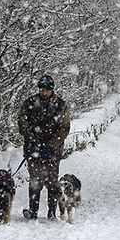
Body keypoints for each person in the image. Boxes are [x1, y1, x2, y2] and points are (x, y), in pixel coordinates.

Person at [18, 74, 71, 219]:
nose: (43, 92)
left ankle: (51, 211)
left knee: (52, 181)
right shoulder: (29, 102)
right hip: (33, 148)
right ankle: (33, 211)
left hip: (52, 150)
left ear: (51, 90)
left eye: (46, 90)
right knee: (35, 180)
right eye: (41, 89)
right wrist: (31, 135)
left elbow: (64, 127)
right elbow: (22, 121)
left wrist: (52, 145)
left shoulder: (60, 105)